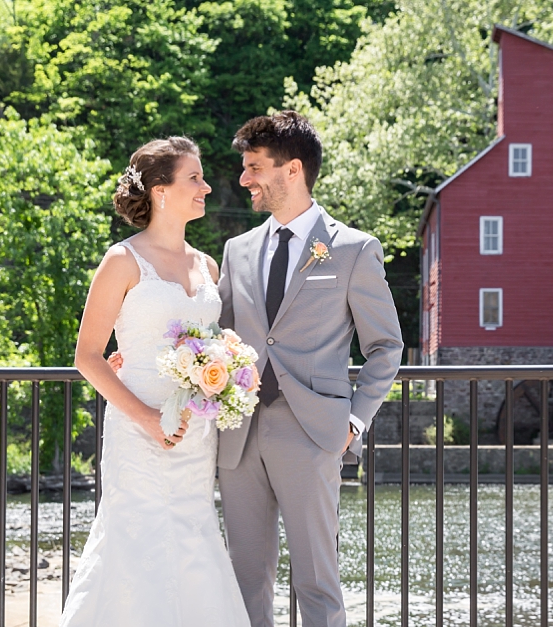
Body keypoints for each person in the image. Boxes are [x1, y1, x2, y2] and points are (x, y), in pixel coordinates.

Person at [217, 111, 403, 627]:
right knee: (245, 579)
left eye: (254, 167)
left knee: (316, 582)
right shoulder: (237, 250)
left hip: (314, 434)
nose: (244, 178)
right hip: (239, 437)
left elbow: (386, 346)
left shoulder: (352, 249)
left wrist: (353, 423)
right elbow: (220, 338)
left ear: (291, 169)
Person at [60, 137, 250, 626]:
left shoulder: (206, 266)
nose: (206, 187)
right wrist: (145, 417)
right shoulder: (122, 261)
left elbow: (211, 345)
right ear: (161, 191)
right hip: (138, 432)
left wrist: (224, 376)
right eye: (195, 178)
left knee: (195, 538)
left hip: (195, 434)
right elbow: (87, 356)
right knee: (134, 541)